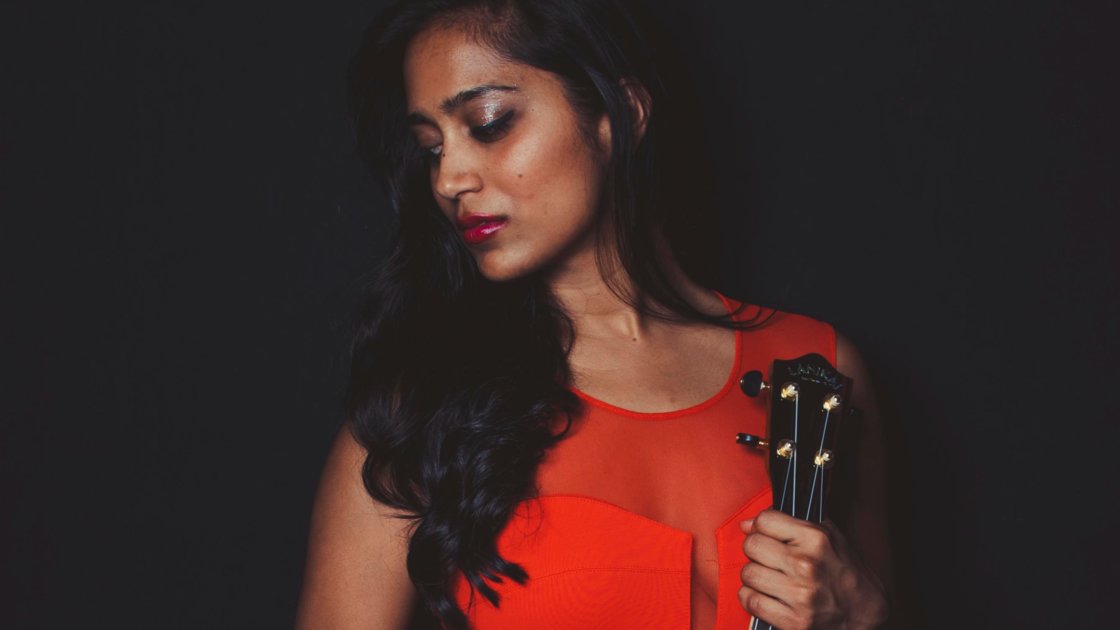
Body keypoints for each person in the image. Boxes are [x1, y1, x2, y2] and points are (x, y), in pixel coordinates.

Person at [296, 0, 892, 628]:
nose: (449, 178)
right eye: (430, 149)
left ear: (619, 113)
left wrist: (866, 615)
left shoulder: (817, 369)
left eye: (489, 123)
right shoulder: (416, 415)